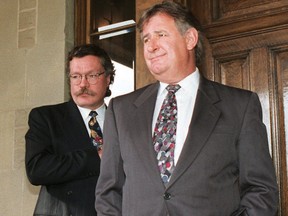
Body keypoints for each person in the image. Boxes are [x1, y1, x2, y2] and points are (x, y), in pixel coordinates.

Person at [95, 1, 279, 216]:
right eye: (146, 39)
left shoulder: (240, 106)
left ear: (190, 39)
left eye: (161, 35)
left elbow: (261, 191)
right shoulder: (121, 110)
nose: (150, 46)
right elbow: (108, 193)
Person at [25, 44, 115, 216]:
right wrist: (97, 156)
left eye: (92, 76)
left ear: (108, 78)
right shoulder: (46, 117)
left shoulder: (123, 120)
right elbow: (37, 170)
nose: (82, 84)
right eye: (76, 76)